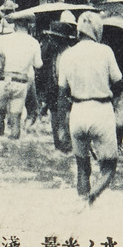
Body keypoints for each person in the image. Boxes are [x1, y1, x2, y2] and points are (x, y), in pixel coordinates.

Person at [58, 11, 122, 204]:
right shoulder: (105, 51)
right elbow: (118, 84)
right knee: (109, 167)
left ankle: (81, 208)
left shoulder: (67, 55)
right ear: (97, 30)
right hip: (101, 111)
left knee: (82, 168)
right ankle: (92, 197)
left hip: (77, 112)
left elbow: (62, 95)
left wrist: (62, 126)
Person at [0, 16, 42, 140]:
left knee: (0, 114)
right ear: (29, 26)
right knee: (15, 119)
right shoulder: (34, 42)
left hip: (3, 81)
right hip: (21, 83)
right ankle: (14, 147)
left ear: (14, 25)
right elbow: (38, 64)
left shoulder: (4, 39)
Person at [40, 18, 76, 153]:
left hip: (68, 98)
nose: (51, 40)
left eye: (53, 38)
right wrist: (46, 102)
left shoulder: (72, 55)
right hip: (54, 98)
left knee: (66, 137)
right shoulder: (54, 53)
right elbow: (50, 76)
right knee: (57, 139)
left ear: (62, 39)